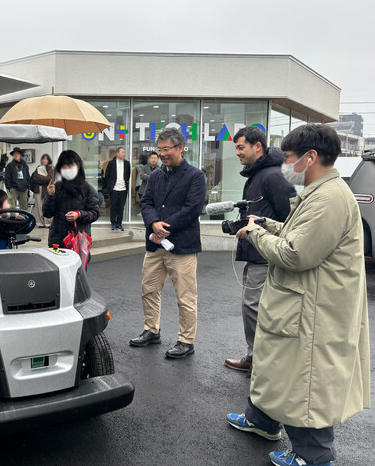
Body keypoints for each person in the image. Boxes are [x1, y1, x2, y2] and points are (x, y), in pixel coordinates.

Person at [227, 124, 370, 466]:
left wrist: (255, 234)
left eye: (289, 157)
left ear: (311, 157)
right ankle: (261, 420)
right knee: (278, 367)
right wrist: (266, 224)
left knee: (306, 381)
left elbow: (296, 253)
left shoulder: (329, 198)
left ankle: (314, 456)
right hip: (300, 303)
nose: (284, 165)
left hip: (314, 309)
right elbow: (298, 234)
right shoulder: (320, 192)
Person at [224, 126, 296, 372]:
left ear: (257, 146)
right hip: (256, 253)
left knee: (254, 307)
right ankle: (257, 358)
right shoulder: (258, 175)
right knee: (253, 307)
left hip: (265, 256)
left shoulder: (272, 176)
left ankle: (260, 362)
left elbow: (290, 219)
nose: (237, 153)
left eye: (240, 147)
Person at [130, 127, 206, 359]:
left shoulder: (195, 176)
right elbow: (146, 202)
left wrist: (163, 229)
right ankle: (151, 330)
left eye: (166, 149)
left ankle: (186, 341)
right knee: (149, 289)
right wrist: (153, 223)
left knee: (185, 297)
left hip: (182, 247)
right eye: (159, 149)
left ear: (180, 147)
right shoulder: (155, 176)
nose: (162, 154)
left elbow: (192, 209)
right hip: (155, 246)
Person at [43, 150, 100, 259]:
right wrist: (50, 196)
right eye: (64, 167)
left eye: (70, 166)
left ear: (78, 167)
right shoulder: (57, 187)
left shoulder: (87, 189)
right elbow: (47, 213)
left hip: (78, 242)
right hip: (58, 241)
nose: (67, 169)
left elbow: (95, 213)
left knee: (78, 269)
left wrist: (79, 214)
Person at [103, 146, 130, 231]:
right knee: (113, 207)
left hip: (123, 189)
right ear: (117, 153)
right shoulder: (111, 163)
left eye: (124, 152)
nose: (124, 154)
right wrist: (109, 186)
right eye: (122, 152)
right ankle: (113, 223)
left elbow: (128, 176)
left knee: (121, 207)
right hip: (114, 189)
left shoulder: (127, 163)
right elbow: (107, 175)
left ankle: (119, 223)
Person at [31, 153, 53, 227]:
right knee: (39, 206)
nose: (44, 160)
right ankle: (40, 223)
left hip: (47, 189)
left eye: (46, 159)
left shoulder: (51, 168)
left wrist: (40, 178)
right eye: (43, 159)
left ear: (48, 160)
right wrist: (44, 179)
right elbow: (34, 178)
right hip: (38, 189)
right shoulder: (38, 168)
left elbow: (49, 179)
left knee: (47, 205)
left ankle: (48, 223)